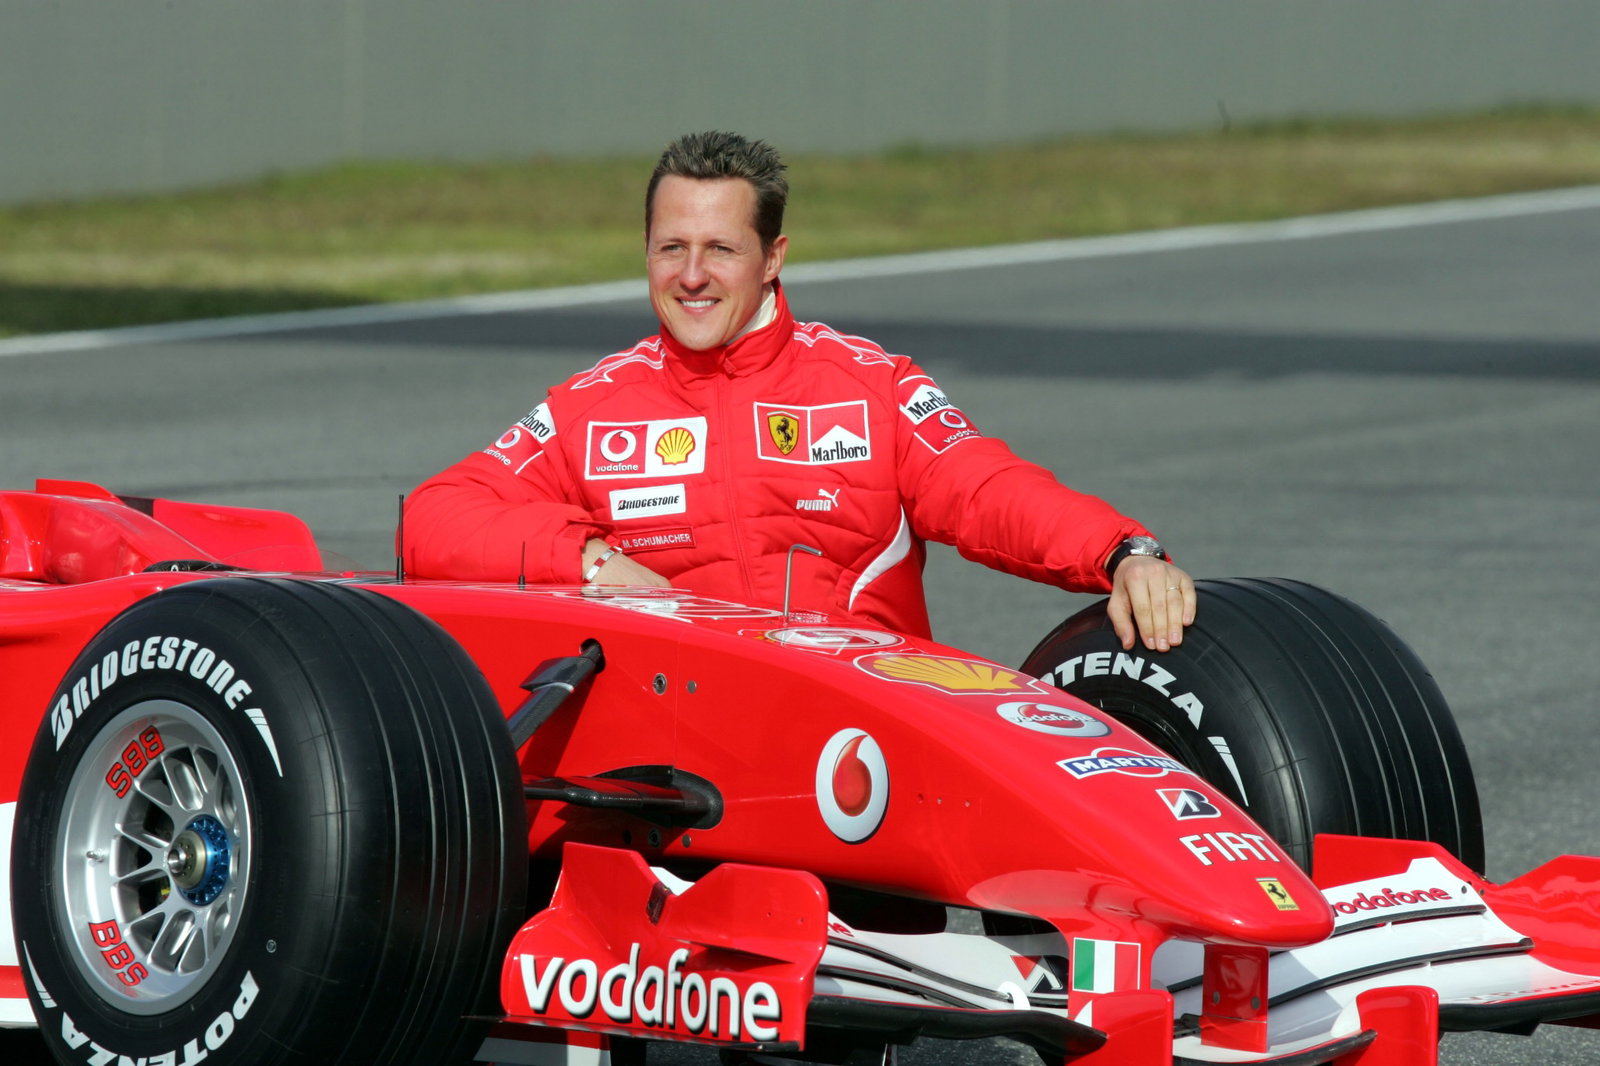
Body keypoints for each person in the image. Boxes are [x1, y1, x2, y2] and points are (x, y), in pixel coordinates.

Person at [403, 131, 1195, 652]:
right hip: (675, 767)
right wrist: (590, 559)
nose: (690, 276)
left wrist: (1121, 551)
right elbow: (433, 519)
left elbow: (987, 488)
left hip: (866, 741)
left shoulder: (869, 384)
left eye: (720, 249)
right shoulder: (591, 407)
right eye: (670, 247)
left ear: (773, 257)